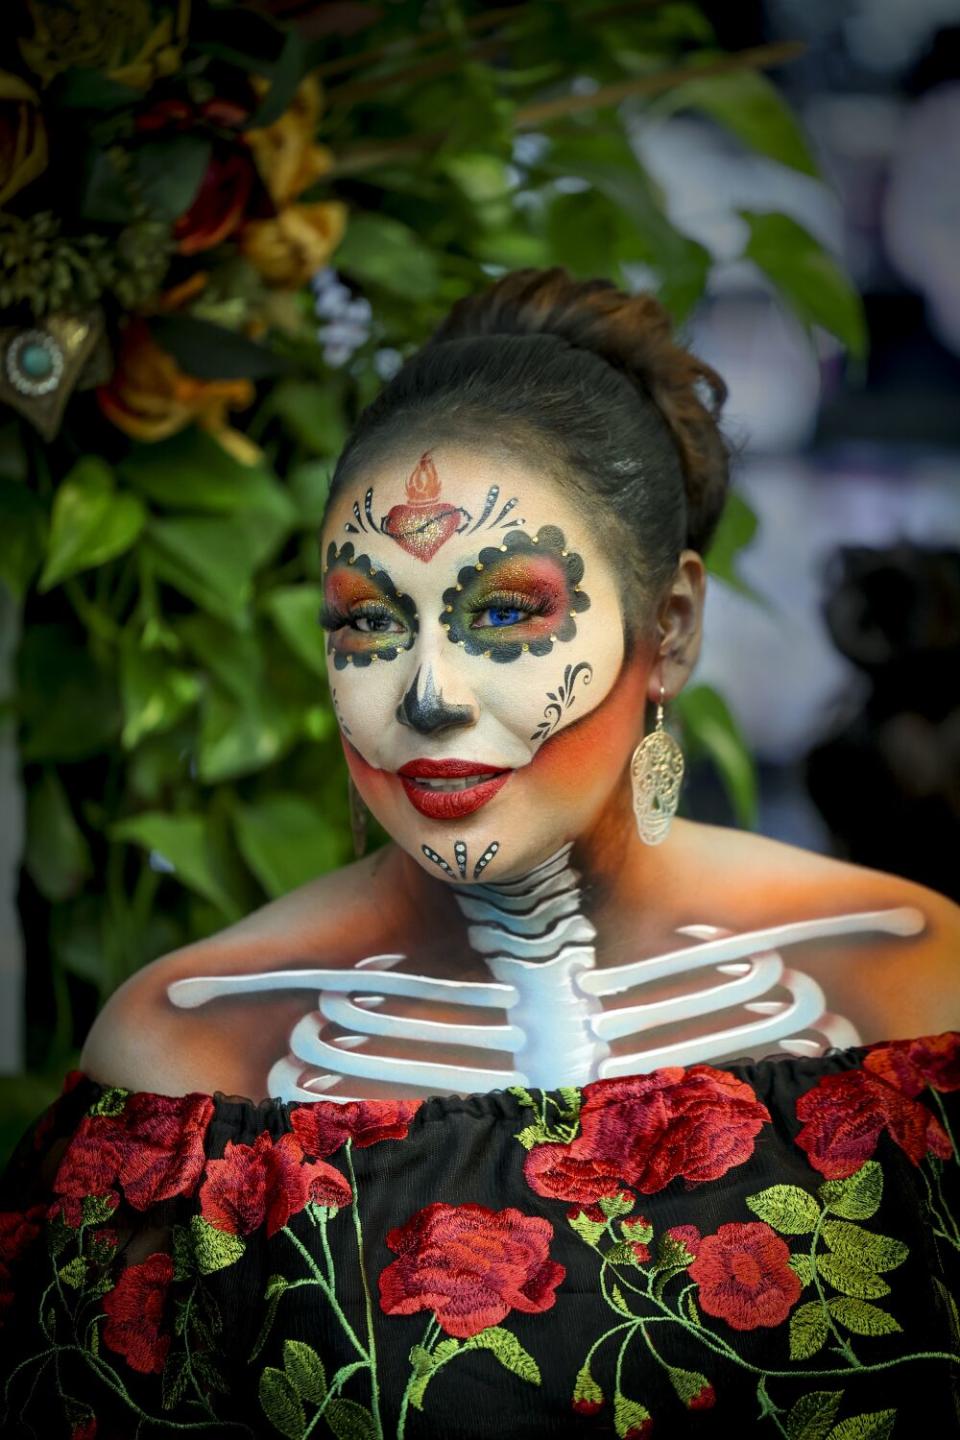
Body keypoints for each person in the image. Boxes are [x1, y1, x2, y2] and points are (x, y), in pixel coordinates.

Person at [2, 267, 958, 1438]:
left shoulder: (909, 981)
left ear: (670, 630)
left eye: (506, 612)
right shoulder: (194, 1045)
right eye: (367, 620)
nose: (429, 696)